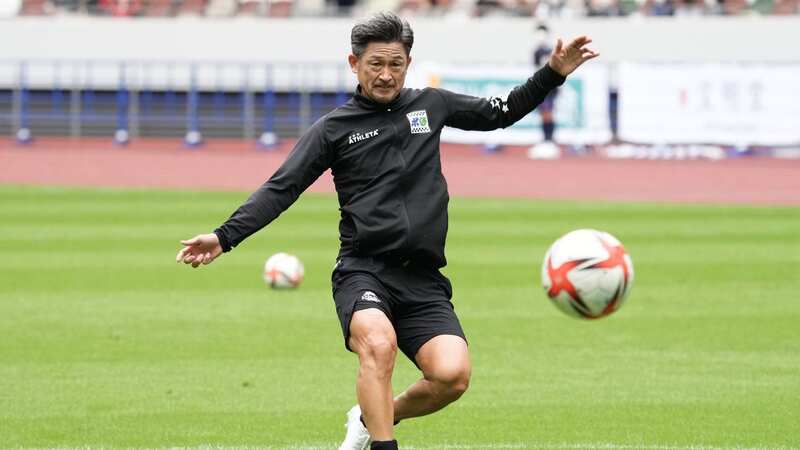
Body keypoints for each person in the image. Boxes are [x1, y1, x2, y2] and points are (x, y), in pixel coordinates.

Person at [175, 12, 597, 450]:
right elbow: (281, 188)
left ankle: (371, 415)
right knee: (378, 344)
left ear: (408, 64)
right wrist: (224, 237)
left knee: (452, 376)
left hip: (423, 280)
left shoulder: (431, 105)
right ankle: (382, 444)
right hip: (363, 272)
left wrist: (553, 74)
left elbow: (501, 113)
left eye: (395, 64)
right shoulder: (333, 129)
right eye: (375, 63)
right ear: (353, 64)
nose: (385, 74)